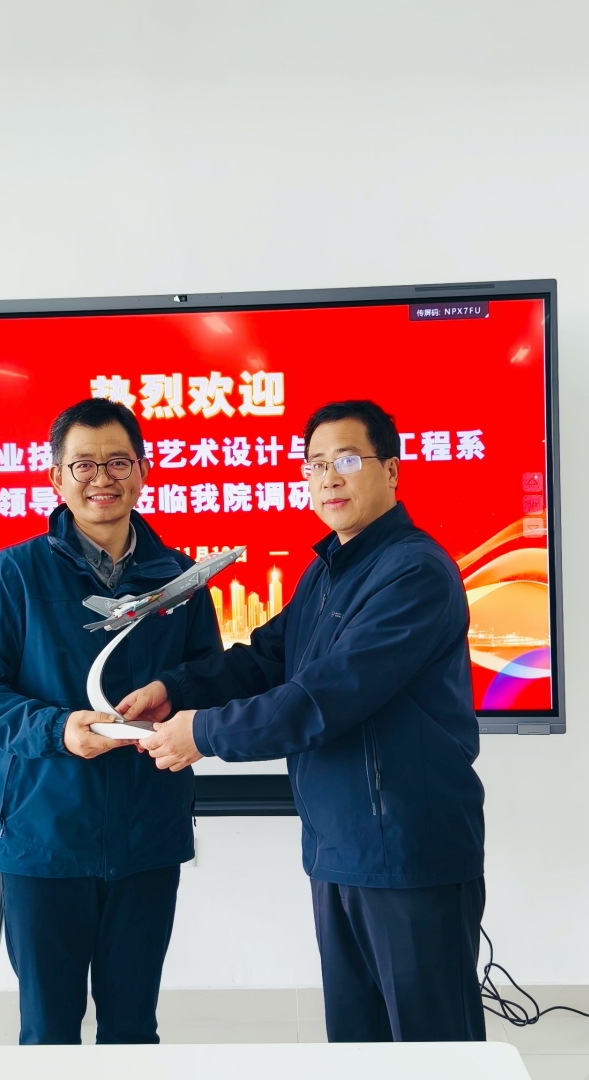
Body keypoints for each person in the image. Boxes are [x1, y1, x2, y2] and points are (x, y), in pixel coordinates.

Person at [118, 399, 486, 1043]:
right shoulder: (327, 570)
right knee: (357, 1044)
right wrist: (172, 691)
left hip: (407, 850)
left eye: (347, 460)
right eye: (315, 464)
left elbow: (324, 696)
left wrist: (202, 733)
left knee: (432, 1051)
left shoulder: (415, 572)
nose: (328, 478)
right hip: (339, 847)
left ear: (392, 470)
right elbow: (267, 658)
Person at [0, 397, 222, 1045]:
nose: (103, 478)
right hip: (44, 838)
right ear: (56, 477)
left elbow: (209, 681)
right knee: (48, 1034)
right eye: (84, 465)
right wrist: (57, 729)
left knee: (133, 1031)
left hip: (147, 836)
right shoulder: (12, 574)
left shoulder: (181, 579)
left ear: (143, 471)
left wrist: (178, 702)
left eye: (118, 462)